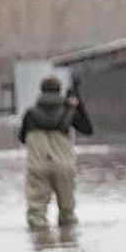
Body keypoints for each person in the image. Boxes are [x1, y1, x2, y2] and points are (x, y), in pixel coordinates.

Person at [18, 74, 94, 228]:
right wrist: (77, 106)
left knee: (36, 213)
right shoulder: (69, 111)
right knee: (67, 213)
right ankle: (67, 245)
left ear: (41, 91)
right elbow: (88, 129)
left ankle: (40, 246)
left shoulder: (30, 113)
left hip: (37, 165)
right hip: (64, 166)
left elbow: (22, 138)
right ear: (59, 91)